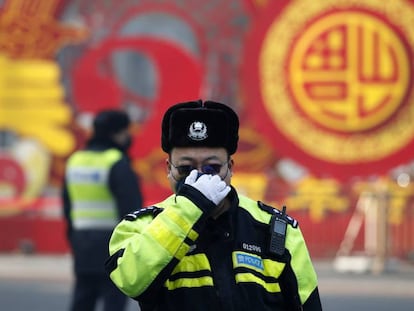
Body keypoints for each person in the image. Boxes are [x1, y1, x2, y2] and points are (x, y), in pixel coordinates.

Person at [105, 100, 322, 310]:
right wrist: (191, 206)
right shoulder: (142, 226)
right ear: (168, 169)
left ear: (230, 167)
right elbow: (131, 280)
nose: (199, 178)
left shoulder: (274, 228)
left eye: (212, 168)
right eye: (186, 169)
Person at [62, 109, 143, 311]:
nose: (128, 137)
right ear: (115, 134)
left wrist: (73, 238)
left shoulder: (75, 161)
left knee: (82, 299)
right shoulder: (116, 162)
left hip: (82, 243)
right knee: (113, 301)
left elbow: (67, 206)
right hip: (112, 245)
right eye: (125, 132)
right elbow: (131, 209)